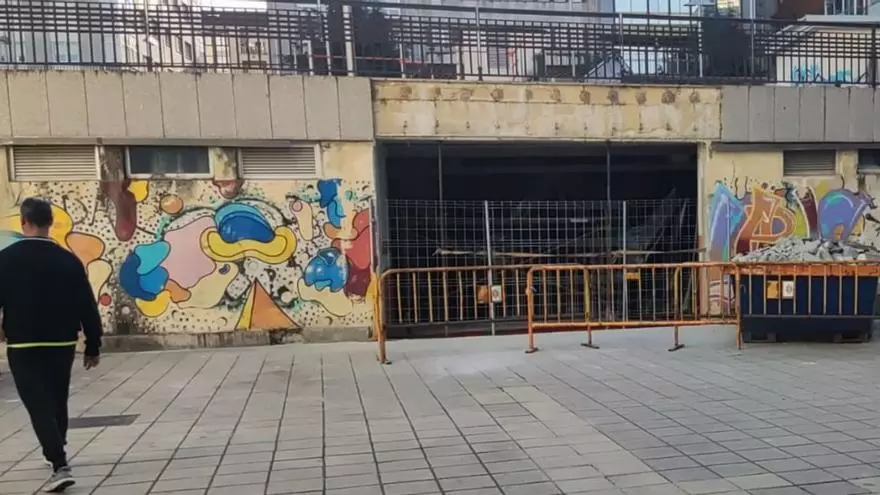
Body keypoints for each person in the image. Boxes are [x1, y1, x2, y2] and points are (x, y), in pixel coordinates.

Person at [0, 198, 103, 493]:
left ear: (24, 222)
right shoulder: (68, 261)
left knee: (38, 405)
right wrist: (93, 345)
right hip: (62, 341)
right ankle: (57, 445)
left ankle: (59, 463)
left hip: (23, 343)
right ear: (50, 222)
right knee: (57, 399)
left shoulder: (5, 259)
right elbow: (87, 305)